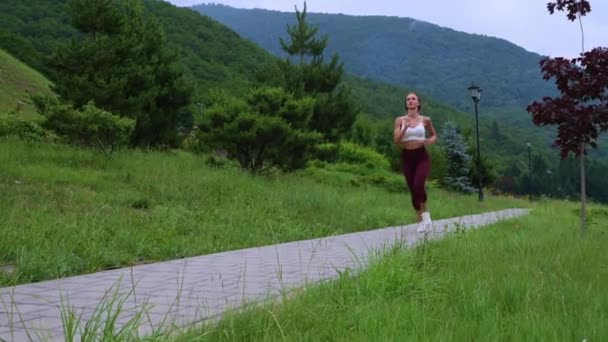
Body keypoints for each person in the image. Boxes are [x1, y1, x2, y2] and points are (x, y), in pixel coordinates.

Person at [393, 92, 437, 233]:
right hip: (407, 157)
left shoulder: (426, 120)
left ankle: (426, 216)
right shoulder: (399, 120)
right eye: (408, 99)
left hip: (421, 156)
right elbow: (396, 140)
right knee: (413, 191)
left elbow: (434, 135)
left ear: (418, 103)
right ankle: (421, 221)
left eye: (413, 99)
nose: (411, 101)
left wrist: (430, 140)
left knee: (419, 185)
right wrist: (405, 127)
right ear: (406, 103)